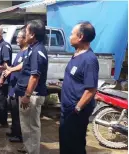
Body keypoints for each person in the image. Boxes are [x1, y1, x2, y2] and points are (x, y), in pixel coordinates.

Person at [59, 22, 98, 154]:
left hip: (76, 112)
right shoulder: (77, 54)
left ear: (80, 36)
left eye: (72, 34)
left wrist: (77, 108)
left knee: (75, 146)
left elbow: (91, 89)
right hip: (67, 109)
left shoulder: (89, 60)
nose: (70, 36)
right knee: (66, 144)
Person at [14, 20, 48, 154]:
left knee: (32, 125)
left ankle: (33, 151)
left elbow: (35, 76)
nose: (23, 34)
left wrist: (27, 95)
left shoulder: (38, 51)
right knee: (25, 124)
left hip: (32, 95)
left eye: (26, 32)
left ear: (32, 34)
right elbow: (25, 66)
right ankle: (28, 147)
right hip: (26, 93)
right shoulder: (32, 48)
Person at [3, 27, 27, 143]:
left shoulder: (27, 53)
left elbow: (22, 66)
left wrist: (11, 69)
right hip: (13, 87)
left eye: (19, 37)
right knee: (13, 111)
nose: (17, 39)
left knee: (18, 113)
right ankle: (14, 130)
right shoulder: (20, 52)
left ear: (25, 39)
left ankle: (19, 135)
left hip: (20, 88)